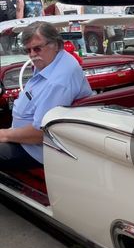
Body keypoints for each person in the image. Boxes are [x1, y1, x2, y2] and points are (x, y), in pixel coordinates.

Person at [0, 21, 92, 171]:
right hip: (23, 139)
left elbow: (39, 133)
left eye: (37, 49)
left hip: (37, 150)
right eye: (28, 50)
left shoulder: (58, 81)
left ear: (55, 44)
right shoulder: (52, 61)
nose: (32, 55)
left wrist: (4, 134)